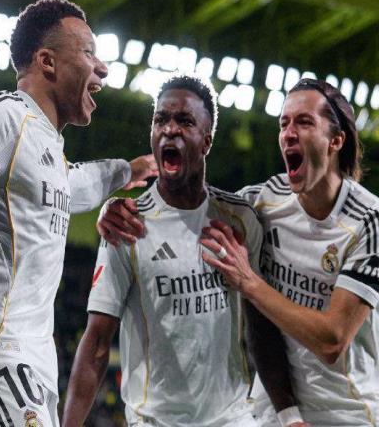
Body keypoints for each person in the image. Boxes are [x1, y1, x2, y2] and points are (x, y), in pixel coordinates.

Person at [97, 78, 379, 426]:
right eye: (283, 123)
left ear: (336, 140)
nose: (288, 133)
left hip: (347, 412)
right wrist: (117, 211)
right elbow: (192, 205)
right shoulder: (262, 202)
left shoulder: (371, 221)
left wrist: (250, 283)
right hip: (274, 408)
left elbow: (332, 341)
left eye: (304, 122)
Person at [0, 0, 156, 427]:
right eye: (88, 53)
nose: (102, 69)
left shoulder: (46, 147)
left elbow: (72, 185)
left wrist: (127, 170)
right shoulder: (6, 118)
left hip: (29, 364)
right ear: (47, 61)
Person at [63, 75, 307, 427]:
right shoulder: (126, 225)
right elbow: (98, 342)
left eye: (185, 121)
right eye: (161, 119)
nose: (170, 129)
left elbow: (261, 326)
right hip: (155, 421)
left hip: (233, 419)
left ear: (207, 141)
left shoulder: (239, 220)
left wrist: (289, 414)